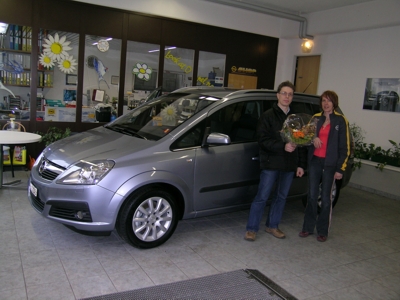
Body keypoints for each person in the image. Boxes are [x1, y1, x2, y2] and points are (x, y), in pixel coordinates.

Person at [244, 81, 306, 241]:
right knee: (262, 196)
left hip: (289, 165)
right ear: (278, 95)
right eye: (284, 93)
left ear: (292, 97)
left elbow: (300, 143)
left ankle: (273, 226)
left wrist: (300, 164)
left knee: (281, 197)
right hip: (271, 163)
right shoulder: (268, 116)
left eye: (290, 94)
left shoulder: (295, 119)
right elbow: (263, 140)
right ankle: (251, 229)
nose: (287, 96)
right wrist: (282, 146)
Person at [299, 90, 350, 242]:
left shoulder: (341, 121)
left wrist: (341, 168)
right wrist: (313, 138)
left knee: (326, 199)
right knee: (312, 196)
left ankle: (322, 231)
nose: (326, 104)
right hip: (315, 161)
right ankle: (308, 227)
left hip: (330, 165)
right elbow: (305, 137)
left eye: (329, 101)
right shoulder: (315, 118)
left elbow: (344, 147)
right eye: (323, 101)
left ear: (334, 103)